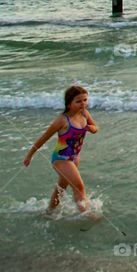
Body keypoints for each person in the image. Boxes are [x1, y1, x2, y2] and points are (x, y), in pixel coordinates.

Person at [23, 85, 99, 213]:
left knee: (61, 188)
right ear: (69, 104)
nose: (83, 104)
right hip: (61, 159)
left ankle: (49, 211)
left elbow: (95, 127)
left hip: (75, 158)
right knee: (79, 186)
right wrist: (30, 155)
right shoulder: (62, 120)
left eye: (85, 100)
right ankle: (86, 214)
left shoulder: (85, 114)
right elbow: (43, 138)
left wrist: (92, 129)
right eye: (78, 101)